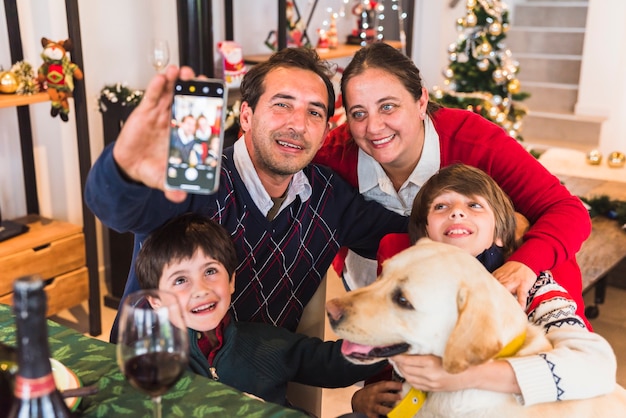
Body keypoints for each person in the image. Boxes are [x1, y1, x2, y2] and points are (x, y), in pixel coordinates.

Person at [84, 47, 407, 342]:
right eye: (282, 104)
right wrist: (123, 167)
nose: (298, 124)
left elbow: (406, 234)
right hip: (158, 379)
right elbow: (114, 208)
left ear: (325, 133)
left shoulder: (329, 197)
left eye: (314, 113)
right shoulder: (196, 179)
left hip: (256, 391)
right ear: (247, 116)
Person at [313, 42, 591, 325]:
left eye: (388, 107)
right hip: (385, 303)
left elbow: (568, 211)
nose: (373, 127)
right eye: (358, 113)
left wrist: (525, 263)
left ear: (421, 102)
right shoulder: (333, 155)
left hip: (498, 306)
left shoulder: (475, 141)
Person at [350, 164, 617, 417]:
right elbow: (381, 346)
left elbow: (596, 367)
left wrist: (466, 375)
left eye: (474, 205)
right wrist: (361, 397)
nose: (456, 212)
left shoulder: (533, 289)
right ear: (425, 237)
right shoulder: (409, 288)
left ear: (499, 234)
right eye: (441, 206)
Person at [135, 212, 385, 411]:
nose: (200, 289)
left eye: (210, 271)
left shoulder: (265, 341)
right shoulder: (150, 365)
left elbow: (332, 363)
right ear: (155, 300)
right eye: (180, 280)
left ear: (231, 281)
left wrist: (395, 342)